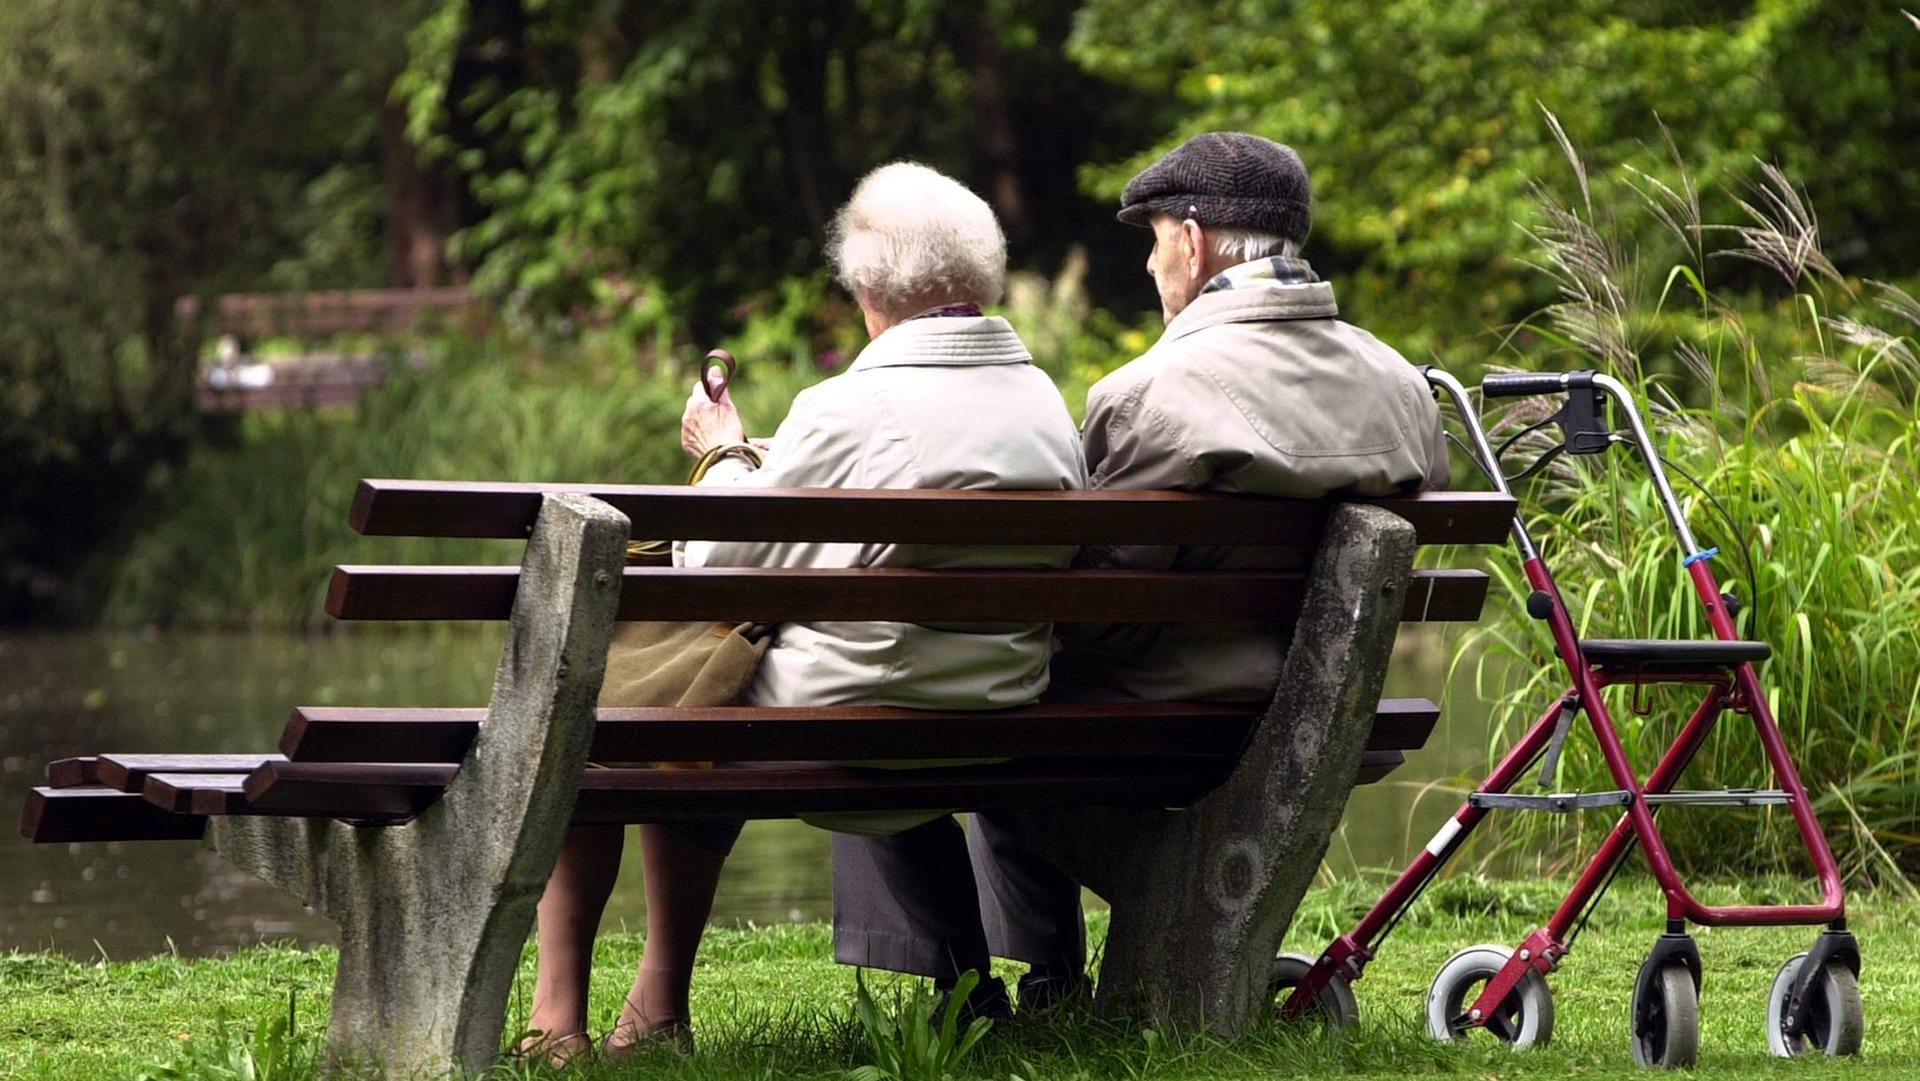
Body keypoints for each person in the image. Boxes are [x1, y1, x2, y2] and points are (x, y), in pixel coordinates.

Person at [833, 132, 1451, 1009]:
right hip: (1330, 723)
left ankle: (975, 983)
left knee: (933, 678)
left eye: (1154, 239)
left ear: (1192, 243)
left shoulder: (1152, 393)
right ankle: (1047, 977)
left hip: (1166, 728)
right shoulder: (1405, 388)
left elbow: (1097, 615)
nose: (1153, 263)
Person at [523, 161, 1087, 1060]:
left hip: (852, 717)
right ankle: (652, 1003)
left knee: (632, 687)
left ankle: (572, 1018)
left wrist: (722, 452)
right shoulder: (1046, 403)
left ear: (869, 283)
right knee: (677, 686)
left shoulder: (850, 404)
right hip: (994, 713)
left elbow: (713, 561)